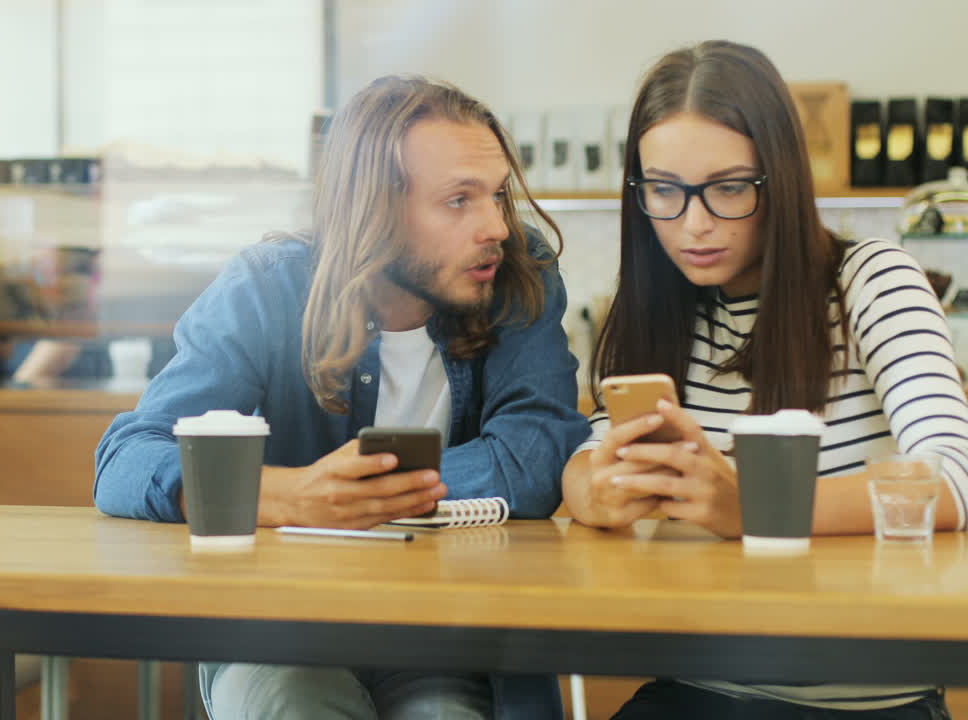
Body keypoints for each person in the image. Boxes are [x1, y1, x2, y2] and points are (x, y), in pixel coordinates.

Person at [94, 75, 590, 719]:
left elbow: (537, 454)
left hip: (450, 630)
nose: (495, 225)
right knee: (295, 706)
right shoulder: (268, 288)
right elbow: (126, 458)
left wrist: (363, 498)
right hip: (282, 629)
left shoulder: (521, 274)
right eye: (458, 200)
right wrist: (291, 496)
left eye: (497, 195)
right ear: (375, 209)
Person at [562, 40, 968, 718]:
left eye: (728, 188)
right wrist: (589, 490)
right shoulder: (657, 308)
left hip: (867, 702)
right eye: (664, 190)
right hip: (697, 689)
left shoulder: (872, 280)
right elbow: (591, 452)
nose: (694, 224)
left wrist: (756, 507)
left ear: (778, 177)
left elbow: (953, 479)